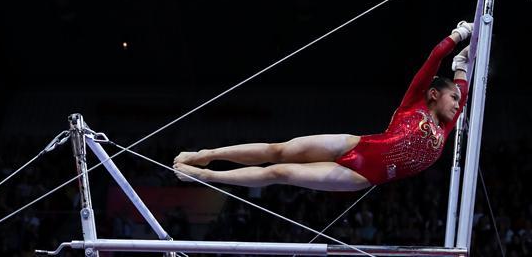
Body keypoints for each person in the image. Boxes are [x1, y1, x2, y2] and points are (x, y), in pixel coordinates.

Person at [173, 21, 473, 191]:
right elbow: (435, 58)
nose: (457, 105)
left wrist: (464, 63)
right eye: (452, 99)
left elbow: (462, 85)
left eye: (458, 101)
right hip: (354, 144)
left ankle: (206, 176)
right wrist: (460, 34)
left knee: (280, 172)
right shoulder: (414, 103)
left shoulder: (445, 128)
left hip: (361, 176)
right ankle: (205, 155)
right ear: (433, 94)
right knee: (277, 149)